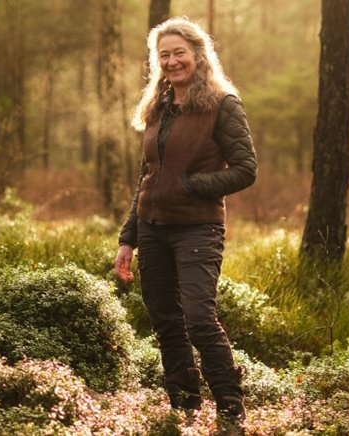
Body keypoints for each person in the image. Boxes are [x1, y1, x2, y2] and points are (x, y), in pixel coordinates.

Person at [113, 16, 257, 430]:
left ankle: (231, 409)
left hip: (198, 227)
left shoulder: (222, 104)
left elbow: (247, 169)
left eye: (179, 53)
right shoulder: (157, 106)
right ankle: (184, 404)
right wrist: (129, 239)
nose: (173, 61)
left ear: (197, 54)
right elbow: (147, 177)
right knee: (165, 320)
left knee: (197, 317)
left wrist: (191, 185)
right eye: (164, 55)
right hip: (152, 229)